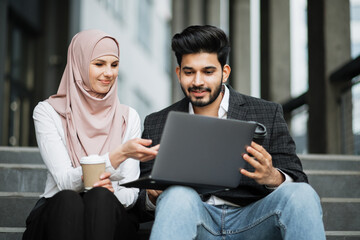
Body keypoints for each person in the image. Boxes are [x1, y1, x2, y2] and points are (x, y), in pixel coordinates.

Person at [137, 25, 326, 239]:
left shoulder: (267, 112)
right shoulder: (157, 122)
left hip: (254, 220)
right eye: (189, 72)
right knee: (177, 196)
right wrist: (152, 197)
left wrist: (272, 176)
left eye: (208, 72)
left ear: (224, 72)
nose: (198, 81)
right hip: (194, 219)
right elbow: (141, 204)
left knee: (302, 195)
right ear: (179, 73)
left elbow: (298, 178)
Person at [23, 29, 159, 240]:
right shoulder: (47, 112)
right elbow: (65, 182)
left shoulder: (128, 116)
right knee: (68, 199)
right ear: (79, 63)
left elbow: (131, 194)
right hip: (58, 213)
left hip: (110, 214)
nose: (109, 73)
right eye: (99, 64)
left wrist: (113, 192)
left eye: (114, 65)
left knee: (100, 197)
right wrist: (118, 155)